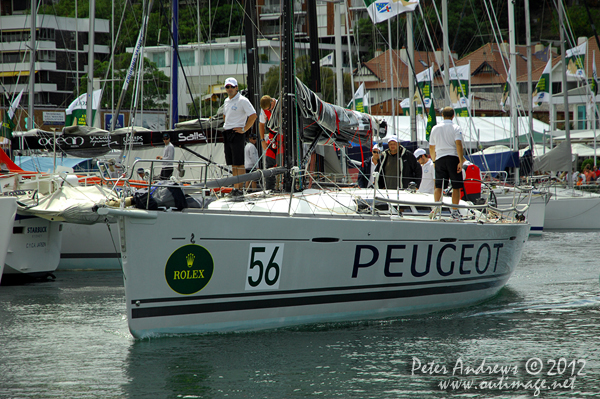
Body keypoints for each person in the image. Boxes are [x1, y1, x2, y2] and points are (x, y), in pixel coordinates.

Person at [429, 106, 465, 220]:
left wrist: (434, 161)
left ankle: (436, 208)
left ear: (442, 115)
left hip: (439, 158)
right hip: (453, 158)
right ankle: (454, 211)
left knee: (438, 186)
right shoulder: (456, 127)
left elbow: (431, 147)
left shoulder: (435, 128)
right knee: (455, 186)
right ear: (453, 116)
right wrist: (460, 160)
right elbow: (458, 144)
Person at [223, 77, 257, 190]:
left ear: (236, 87)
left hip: (237, 133)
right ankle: (235, 187)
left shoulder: (242, 100)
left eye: (232, 86)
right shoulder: (226, 101)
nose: (229, 89)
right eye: (227, 87)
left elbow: (253, 115)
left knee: (239, 163)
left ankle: (239, 189)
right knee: (233, 163)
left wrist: (244, 129)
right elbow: (225, 115)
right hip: (227, 132)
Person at [259, 95, 279, 190]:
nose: (268, 110)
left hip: (284, 135)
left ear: (272, 102)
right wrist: (262, 140)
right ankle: (270, 188)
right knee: (269, 160)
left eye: (269, 108)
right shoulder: (264, 109)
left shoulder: (281, 105)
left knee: (284, 160)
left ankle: (288, 184)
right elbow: (261, 124)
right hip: (272, 135)